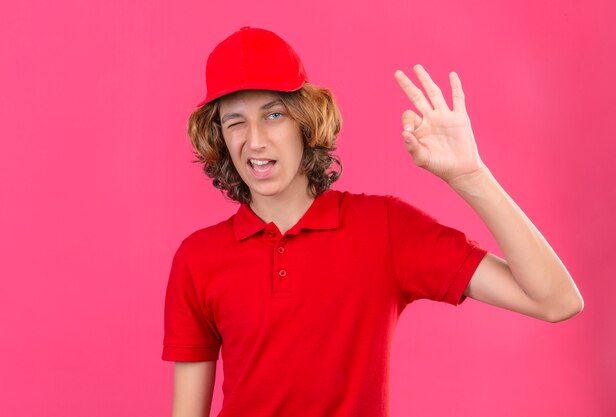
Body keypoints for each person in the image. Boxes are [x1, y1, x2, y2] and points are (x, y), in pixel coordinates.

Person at [162, 26, 583, 417]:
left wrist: (471, 177)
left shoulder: (384, 227)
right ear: (219, 136)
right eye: (235, 121)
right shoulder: (198, 258)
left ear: (306, 120)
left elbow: (556, 301)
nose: (255, 139)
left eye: (274, 115)